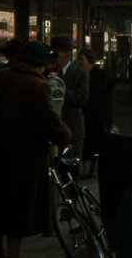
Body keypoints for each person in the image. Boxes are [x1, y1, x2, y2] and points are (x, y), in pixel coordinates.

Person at [0, 41, 71, 258]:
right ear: (38, 63)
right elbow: (49, 121)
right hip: (23, 158)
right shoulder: (36, 85)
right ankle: (13, 253)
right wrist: (66, 137)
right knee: (17, 208)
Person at [50, 35, 89, 165]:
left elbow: (82, 99)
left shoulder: (80, 73)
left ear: (66, 53)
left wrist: (60, 89)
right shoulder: (49, 71)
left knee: (71, 169)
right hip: (54, 130)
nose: (55, 58)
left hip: (73, 130)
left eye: (57, 54)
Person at [77, 48, 105, 179]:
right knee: (88, 140)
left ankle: (88, 168)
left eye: (82, 60)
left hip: (94, 113)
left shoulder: (97, 74)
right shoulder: (82, 73)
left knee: (90, 140)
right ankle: (88, 167)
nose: (80, 63)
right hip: (87, 112)